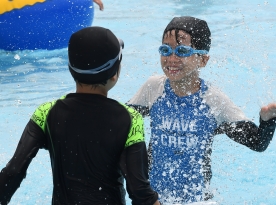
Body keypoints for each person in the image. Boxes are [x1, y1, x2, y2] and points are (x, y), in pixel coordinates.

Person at [127, 16, 276, 204]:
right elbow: (122, 121)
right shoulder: (153, 88)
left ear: (203, 59)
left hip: (198, 200)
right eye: (165, 50)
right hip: (153, 198)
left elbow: (257, 143)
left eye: (182, 51)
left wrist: (267, 120)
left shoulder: (213, 100)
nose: (171, 59)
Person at [0, 26, 160, 205]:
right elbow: (140, 192)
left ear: (71, 69)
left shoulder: (46, 113)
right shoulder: (130, 119)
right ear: (114, 74)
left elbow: (13, 172)